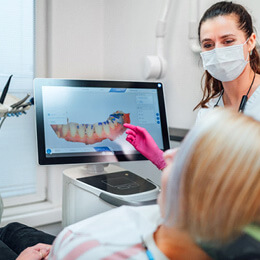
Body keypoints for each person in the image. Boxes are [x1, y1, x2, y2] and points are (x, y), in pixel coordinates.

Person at [48, 108, 260, 260]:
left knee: (16, 231)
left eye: (185, 154)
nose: (167, 155)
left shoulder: (81, 245)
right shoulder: (231, 231)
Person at [124, 1, 260, 170]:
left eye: (228, 41)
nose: (217, 51)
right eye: (208, 45)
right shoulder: (208, 113)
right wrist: (158, 157)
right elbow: (194, 177)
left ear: (251, 41)